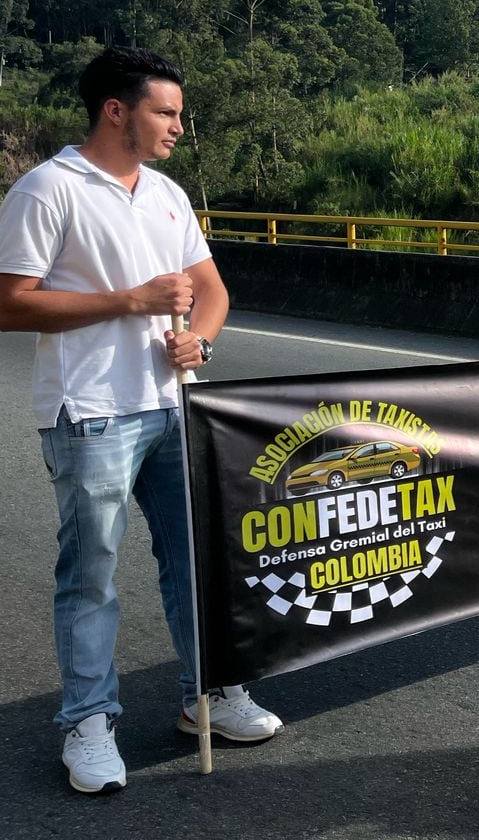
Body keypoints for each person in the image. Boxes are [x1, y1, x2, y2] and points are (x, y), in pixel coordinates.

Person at [0, 46, 283, 796]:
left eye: (179, 114)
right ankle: (88, 722)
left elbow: (210, 291)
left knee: (197, 559)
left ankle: (209, 694)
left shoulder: (166, 193)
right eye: (166, 112)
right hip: (90, 410)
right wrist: (129, 302)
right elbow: (9, 304)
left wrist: (202, 341)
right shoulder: (47, 189)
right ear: (115, 110)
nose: (179, 126)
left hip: (172, 402)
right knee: (90, 573)